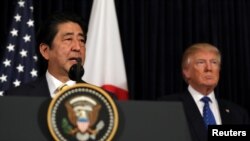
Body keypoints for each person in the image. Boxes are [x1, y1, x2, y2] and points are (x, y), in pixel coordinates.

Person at [159, 43, 249, 141]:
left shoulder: (238, 114)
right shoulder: (167, 106)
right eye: (201, 62)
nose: (209, 68)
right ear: (186, 71)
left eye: (214, 62)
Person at [4, 12, 107, 98]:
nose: (77, 47)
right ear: (45, 51)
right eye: (68, 39)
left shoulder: (102, 99)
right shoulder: (17, 97)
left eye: (81, 40)